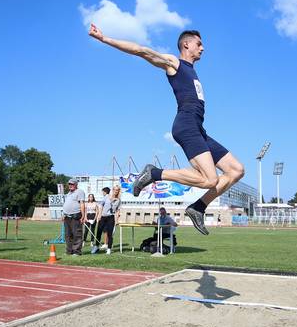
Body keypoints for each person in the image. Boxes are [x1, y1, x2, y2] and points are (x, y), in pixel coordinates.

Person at [89, 25, 245, 235]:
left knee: (236, 170)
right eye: (199, 44)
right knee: (210, 179)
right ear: (186, 44)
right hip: (186, 124)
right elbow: (140, 50)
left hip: (199, 129)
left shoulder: (193, 70)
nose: (203, 48)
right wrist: (104, 38)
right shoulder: (174, 63)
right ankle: (154, 173)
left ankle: (198, 207)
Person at [92, 186, 120, 255]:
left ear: (119, 191)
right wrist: (99, 215)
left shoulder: (118, 200)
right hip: (103, 217)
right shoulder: (106, 197)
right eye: (115, 190)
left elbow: (117, 211)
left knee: (110, 234)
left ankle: (109, 249)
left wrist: (116, 220)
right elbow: (101, 205)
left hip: (110, 217)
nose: (116, 191)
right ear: (112, 190)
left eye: (117, 190)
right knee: (99, 232)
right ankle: (96, 246)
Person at [62, 178, 86, 256]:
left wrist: (83, 216)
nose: (70, 185)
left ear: (76, 185)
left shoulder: (80, 192)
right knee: (68, 235)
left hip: (76, 215)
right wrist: (64, 214)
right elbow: (66, 204)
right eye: (69, 184)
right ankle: (69, 251)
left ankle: (77, 251)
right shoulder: (68, 193)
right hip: (67, 216)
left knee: (77, 234)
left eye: (72, 184)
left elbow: (82, 203)